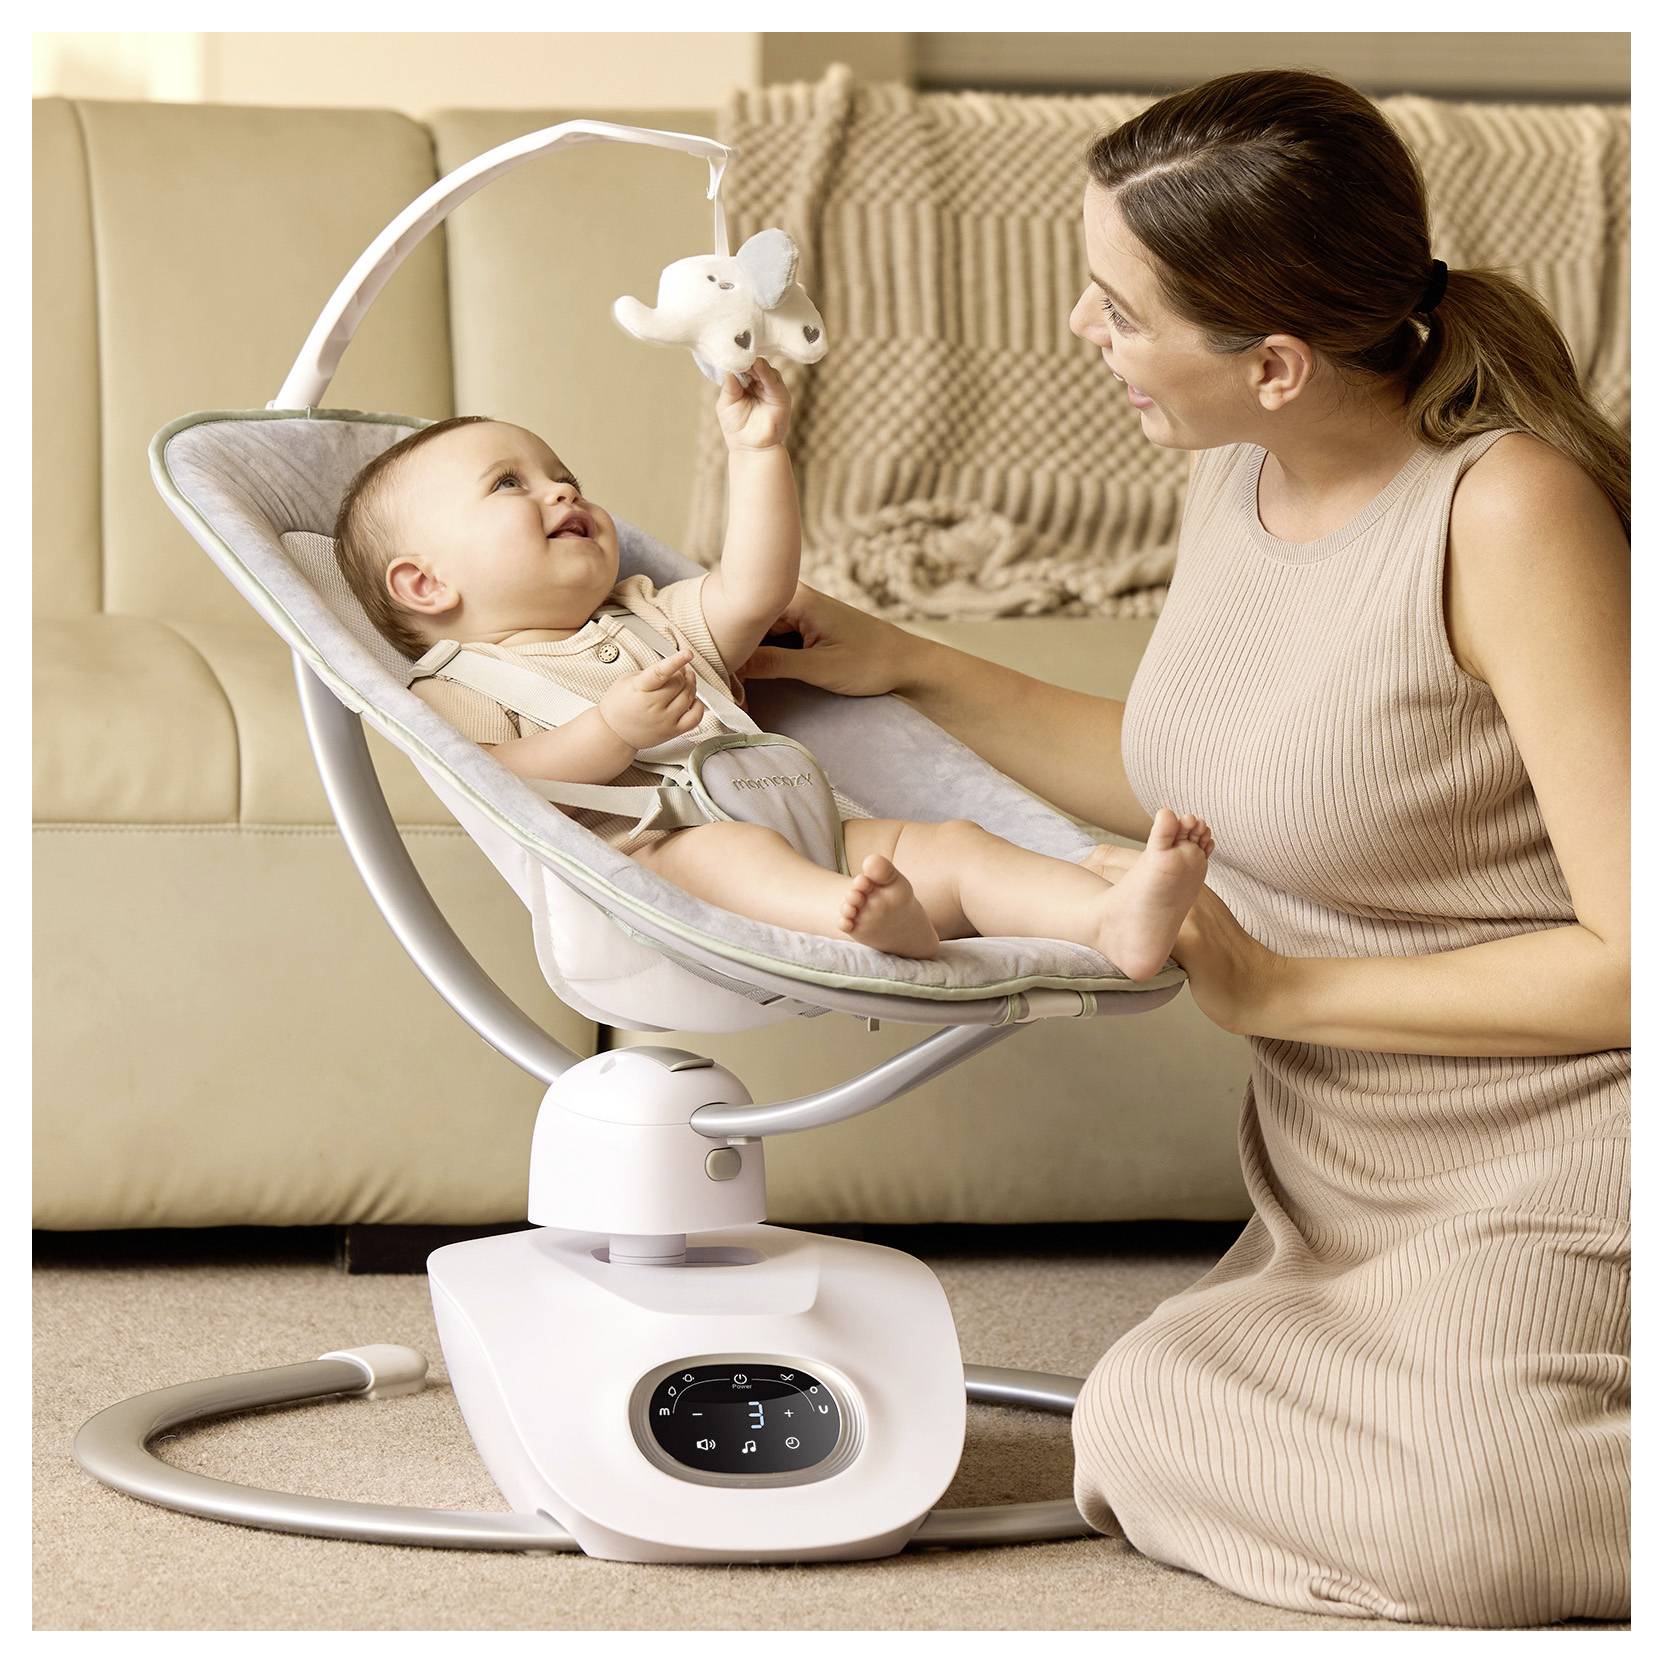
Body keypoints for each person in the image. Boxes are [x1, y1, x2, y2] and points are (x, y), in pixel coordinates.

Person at [740, 69, 1630, 1627]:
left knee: (1473, 1521)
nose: (1085, 336)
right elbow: (1227, 778)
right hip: (1345, 1174)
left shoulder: (1505, 511)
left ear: (1274, 361)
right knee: (1138, 1413)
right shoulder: (1236, 466)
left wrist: (1283, 993)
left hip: (1569, 1148)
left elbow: (1639, 965)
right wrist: (913, 662)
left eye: (1116, 309)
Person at [331, 366, 1213, 976]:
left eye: (563, 475)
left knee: (951, 844)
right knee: (732, 853)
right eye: (510, 485)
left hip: (812, 820)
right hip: (665, 863)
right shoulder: (460, 680)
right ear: (424, 583)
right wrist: (611, 733)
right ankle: (859, 924)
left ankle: (1107, 918)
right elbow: (494, 783)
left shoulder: (644, 610)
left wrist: (759, 452)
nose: (562, 491)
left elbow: (754, 586)